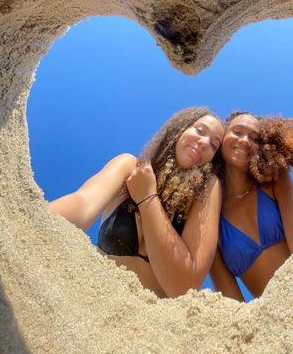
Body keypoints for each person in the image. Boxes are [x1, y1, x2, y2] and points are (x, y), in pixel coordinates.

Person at [49, 107, 224, 297]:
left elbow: (183, 287)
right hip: (89, 296)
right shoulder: (128, 167)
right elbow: (83, 204)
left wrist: (147, 197)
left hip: (147, 320)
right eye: (199, 130)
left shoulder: (206, 191)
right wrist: (28, 217)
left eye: (214, 145)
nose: (205, 142)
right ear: (179, 129)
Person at [210, 111, 293, 301]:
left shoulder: (275, 180)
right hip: (270, 320)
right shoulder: (212, 215)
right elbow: (231, 302)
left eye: (255, 138)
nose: (245, 140)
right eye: (237, 132)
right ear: (222, 139)